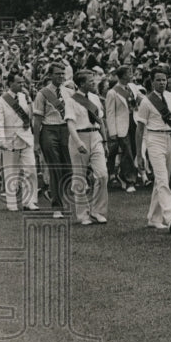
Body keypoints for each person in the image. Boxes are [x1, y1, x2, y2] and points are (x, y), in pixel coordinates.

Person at [135, 67, 171, 233]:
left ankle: (153, 219)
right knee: (162, 178)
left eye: (164, 79)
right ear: (152, 81)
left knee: (163, 180)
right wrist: (139, 154)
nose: (161, 83)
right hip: (154, 139)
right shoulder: (146, 102)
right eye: (158, 80)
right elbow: (139, 130)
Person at [65, 69, 109, 225]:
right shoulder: (71, 100)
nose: (94, 83)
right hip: (79, 136)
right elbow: (70, 123)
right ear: (82, 84)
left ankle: (98, 211)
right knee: (79, 178)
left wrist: (104, 141)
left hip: (95, 136)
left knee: (102, 174)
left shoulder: (95, 98)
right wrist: (78, 142)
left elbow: (100, 120)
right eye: (91, 81)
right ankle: (83, 215)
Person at [0, 71, 40, 212]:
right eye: (19, 82)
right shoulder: (2, 100)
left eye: (23, 82)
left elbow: (30, 115)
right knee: (10, 171)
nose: (22, 85)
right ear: (10, 83)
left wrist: (28, 115)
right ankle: (11, 203)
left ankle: (29, 201)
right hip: (10, 140)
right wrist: (2, 140)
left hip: (25, 137)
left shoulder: (25, 97)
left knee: (30, 169)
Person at [30, 62, 72, 218]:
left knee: (68, 169)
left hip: (65, 130)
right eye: (57, 73)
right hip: (49, 131)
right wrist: (35, 142)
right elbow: (37, 119)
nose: (61, 76)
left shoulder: (69, 92)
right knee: (55, 168)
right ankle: (57, 207)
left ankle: (51, 191)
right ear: (50, 75)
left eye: (63, 73)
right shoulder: (42, 94)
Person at [104, 66, 139, 192]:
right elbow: (110, 113)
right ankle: (130, 180)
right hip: (121, 125)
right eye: (129, 72)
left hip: (134, 122)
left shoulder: (132, 87)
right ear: (122, 75)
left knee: (134, 150)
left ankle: (123, 174)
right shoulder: (112, 92)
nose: (131, 74)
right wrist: (112, 132)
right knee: (127, 152)